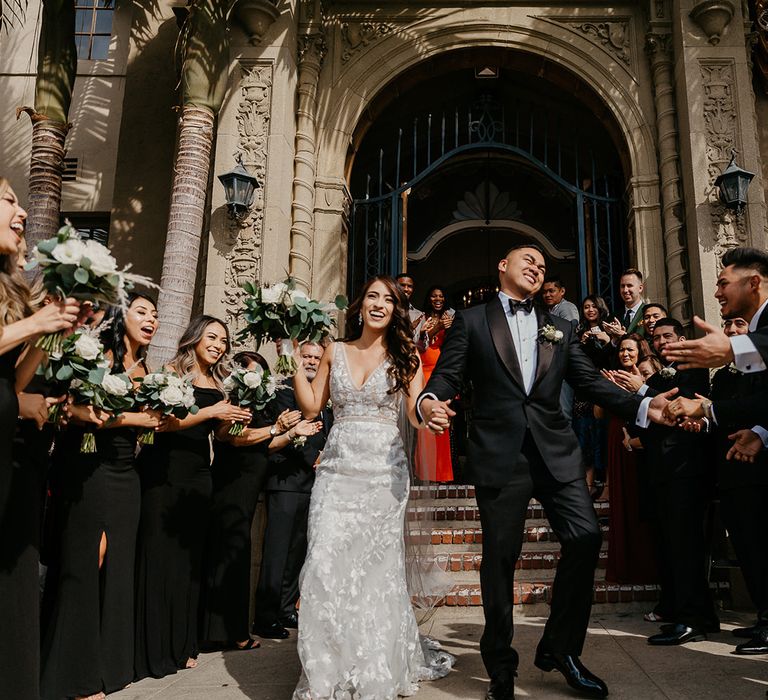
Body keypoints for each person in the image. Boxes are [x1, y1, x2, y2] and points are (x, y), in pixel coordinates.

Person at [418, 244, 673, 700]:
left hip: (556, 452)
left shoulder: (560, 325)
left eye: (543, 265)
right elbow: (448, 377)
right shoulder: (471, 320)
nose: (537, 268)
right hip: (501, 457)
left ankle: (561, 648)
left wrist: (645, 406)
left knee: (586, 537)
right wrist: (429, 401)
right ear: (502, 265)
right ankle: (500, 665)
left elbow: (590, 381)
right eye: (527, 261)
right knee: (499, 559)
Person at [290, 275, 454, 699]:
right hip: (337, 471)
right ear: (360, 305)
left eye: (388, 299)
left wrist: (431, 412)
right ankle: (328, 668)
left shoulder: (407, 356)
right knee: (325, 563)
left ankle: (372, 666)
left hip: (384, 474)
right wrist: (292, 362)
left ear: (396, 309)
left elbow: (415, 414)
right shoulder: (335, 350)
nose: (379, 304)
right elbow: (312, 405)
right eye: (372, 297)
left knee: (375, 573)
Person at [41, 294, 165, 700]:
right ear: (121, 316)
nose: (152, 319)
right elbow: (71, 409)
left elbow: (149, 425)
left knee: (117, 565)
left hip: (127, 474)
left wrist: (157, 420)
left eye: (155, 315)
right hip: (88, 466)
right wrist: (133, 418)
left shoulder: (149, 370)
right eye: (142, 311)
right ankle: (73, 675)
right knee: (87, 559)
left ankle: (110, 667)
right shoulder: (96, 356)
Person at [134, 316, 252, 679]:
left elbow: (222, 436)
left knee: (190, 562)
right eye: (212, 337)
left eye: (223, 340)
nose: (218, 345)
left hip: (200, 475)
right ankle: (154, 648)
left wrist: (234, 419)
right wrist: (212, 411)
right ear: (195, 337)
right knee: (161, 557)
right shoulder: (169, 372)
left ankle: (183, 643)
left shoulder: (217, 384)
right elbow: (162, 423)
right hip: (163, 472)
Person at [0, 179, 80, 700]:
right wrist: (37, 324)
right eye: (8, 199)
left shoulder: (8, 286)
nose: (23, 210)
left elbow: (19, 379)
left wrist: (53, 332)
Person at [199, 351, 302, 650]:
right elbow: (234, 437)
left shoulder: (258, 402)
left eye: (260, 372)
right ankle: (223, 632)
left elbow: (266, 445)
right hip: (232, 481)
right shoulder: (235, 401)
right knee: (228, 551)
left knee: (237, 553)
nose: (255, 378)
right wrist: (275, 429)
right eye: (250, 372)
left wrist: (291, 431)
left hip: (250, 481)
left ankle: (233, 630)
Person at [638, 318, 718, 645]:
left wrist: (640, 389)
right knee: (670, 544)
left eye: (666, 335)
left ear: (681, 338)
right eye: (655, 338)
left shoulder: (692, 368)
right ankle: (681, 610)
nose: (660, 342)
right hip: (662, 469)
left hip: (685, 469)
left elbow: (677, 408)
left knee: (686, 545)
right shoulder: (659, 374)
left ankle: (694, 618)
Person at [252, 341, 328, 640]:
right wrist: (316, 459)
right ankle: (265, 616)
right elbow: (296, 434)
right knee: (277, 551)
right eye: (306, 356)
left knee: (298, 550)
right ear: (296, 358)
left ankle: (286, 608)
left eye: (316, 358)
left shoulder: (324, 395)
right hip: (285, 482)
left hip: (313, 484)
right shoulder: (283, 390)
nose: (311, 361)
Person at [601, 335, 658, 585]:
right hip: (615, 437)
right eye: (622, 349)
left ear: (639, 351)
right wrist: (605, 390)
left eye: (630, 349)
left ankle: (645, 564)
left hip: (642, 436)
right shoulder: (611, 376)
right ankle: (623, 565)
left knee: (639, 497)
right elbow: (597, 413)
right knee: (621, 499)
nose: (625, 354)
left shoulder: (648, 373)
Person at [413, 285, 455, 482]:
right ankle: (425, 470)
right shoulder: (422, 318)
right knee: (426, 419)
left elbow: (456, 344)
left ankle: (443, 472)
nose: (437, 299)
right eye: (433, 296)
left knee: (443, 421)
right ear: (428, 299)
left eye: (440, 296)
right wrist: (431, 330)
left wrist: (450, 328)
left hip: (443, 370)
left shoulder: (451, 317)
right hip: (425, 370)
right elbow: (420, 344)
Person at [573, 295, 613, 496]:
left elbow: (612, 358)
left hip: (603, 385)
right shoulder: (579, 331)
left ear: (601, 308)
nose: (590, 310)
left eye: (593, 306)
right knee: (583, 433)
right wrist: (581, 342)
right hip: (583, 389)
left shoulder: (609, 329)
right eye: (586, 307)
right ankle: (587, 484)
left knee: (601, 434)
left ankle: (605, 484)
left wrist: (608, 341)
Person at [542, 275, 579, 421]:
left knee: (563, 410)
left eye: (551, 291)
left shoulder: (566, 308)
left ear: (562, 291)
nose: (547, 295)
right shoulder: (550, 310)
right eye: (544, 292)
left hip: (563, 366)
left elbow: (568, 335)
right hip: (553, 367)